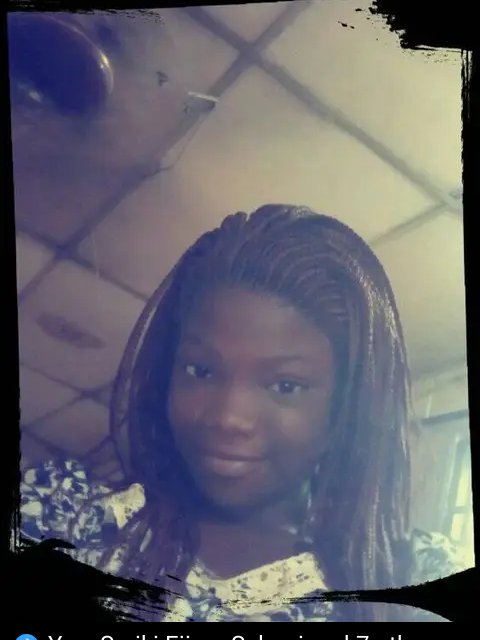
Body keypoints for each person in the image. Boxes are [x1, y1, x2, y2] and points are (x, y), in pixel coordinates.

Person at [20, 204, 466, 622]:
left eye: (285, 385)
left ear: (347, 408)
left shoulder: (411, 581)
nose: (228, 417)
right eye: (200, 370)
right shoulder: (67, 519)